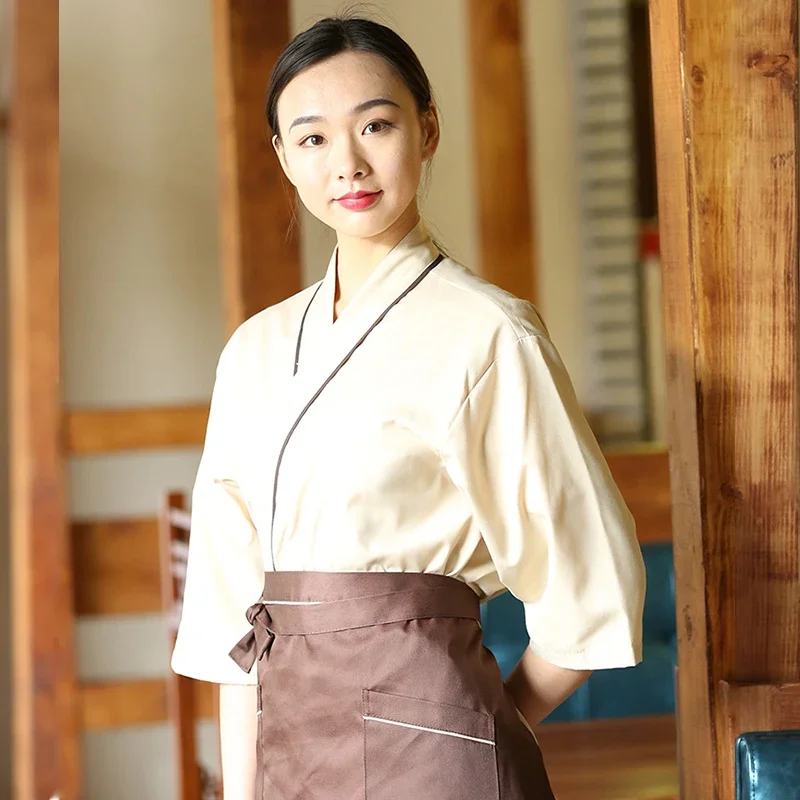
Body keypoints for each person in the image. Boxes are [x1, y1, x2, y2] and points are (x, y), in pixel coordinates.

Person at [171, 13, 646, 800]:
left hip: (437, 760)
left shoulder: (491, 333)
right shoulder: (254, 351)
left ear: (427, 130)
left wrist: (473, 721)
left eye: (377, 125)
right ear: (283, 157)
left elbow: (592, 589)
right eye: (314, 138)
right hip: (288, 757)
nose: (348, 164)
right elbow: (231, 623)